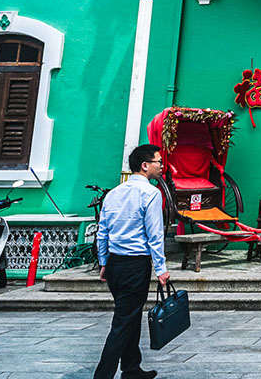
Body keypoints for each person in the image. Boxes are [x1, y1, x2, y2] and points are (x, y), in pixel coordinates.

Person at [94, 143, 169, 379]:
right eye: (158, 162)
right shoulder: (151, 194)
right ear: (145, 166)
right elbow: (155, 234)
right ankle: (102, 375)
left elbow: (102, 231)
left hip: (115, 264)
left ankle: (131, 367)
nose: (161, 166)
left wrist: (104, 262)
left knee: (130, 316)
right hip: (135, 264)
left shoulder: (113, 193)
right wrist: (161, 268)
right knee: (123, 321)